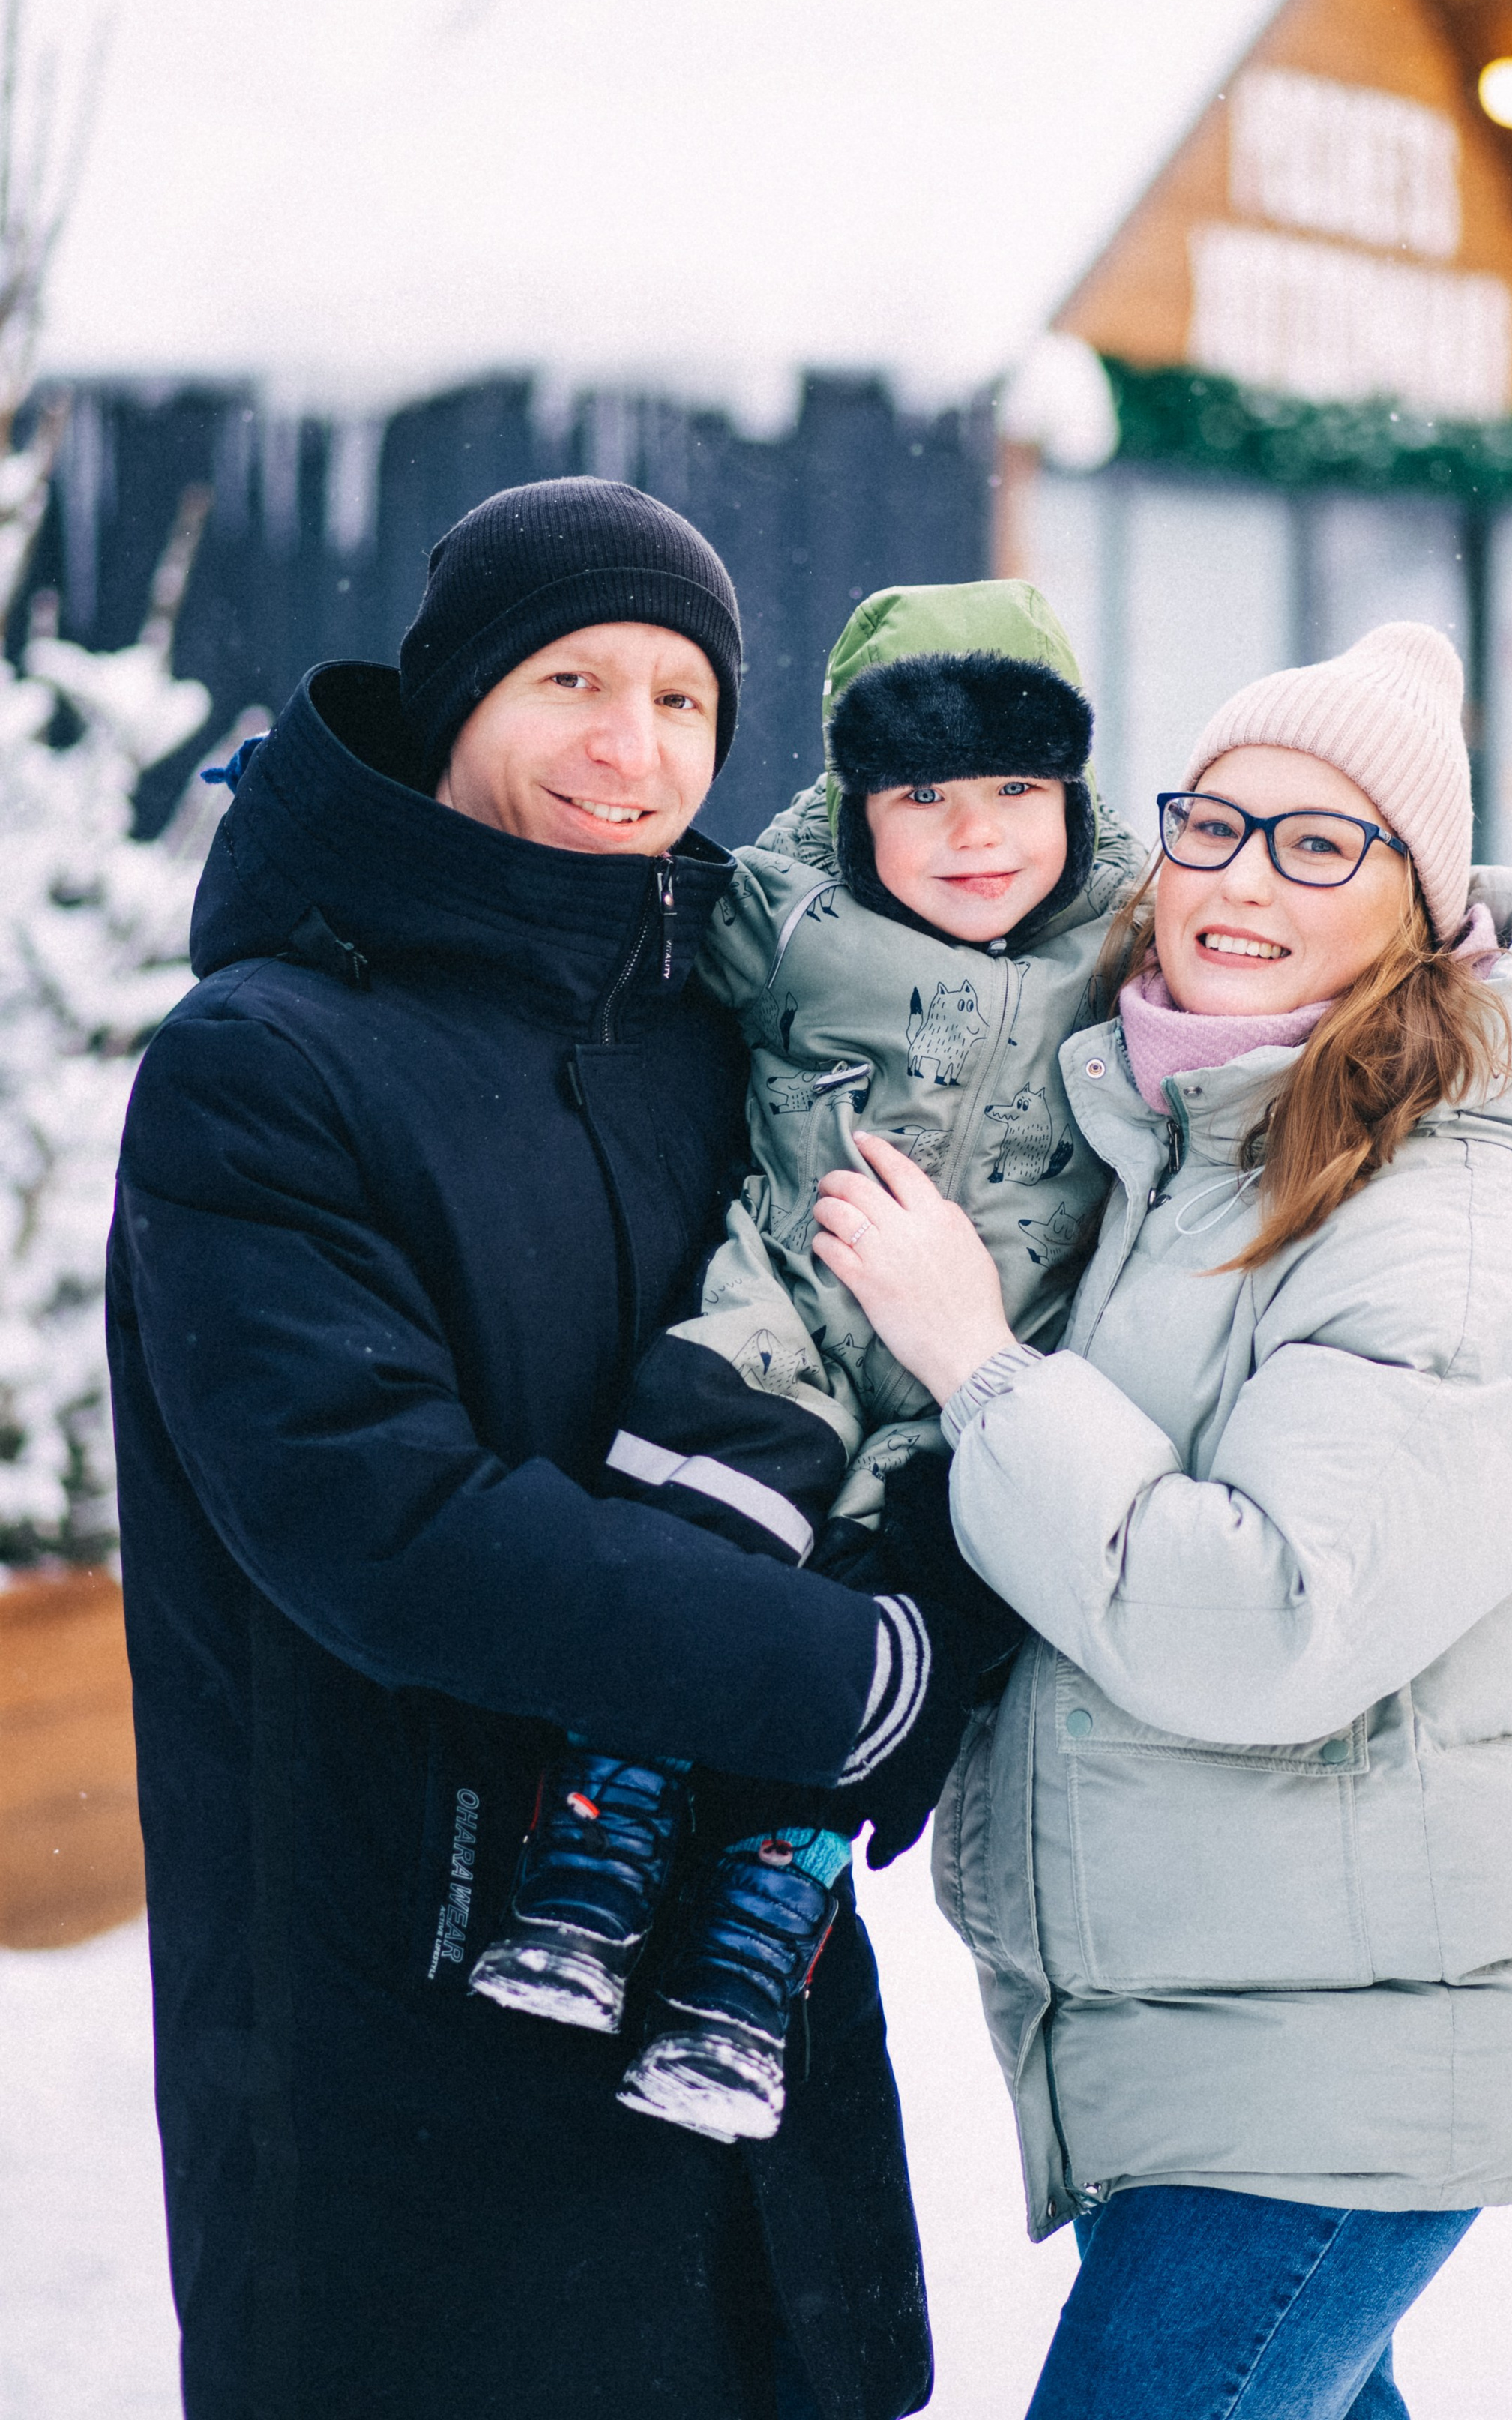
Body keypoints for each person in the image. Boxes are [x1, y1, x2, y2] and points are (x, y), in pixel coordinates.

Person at [106, 478, 972, 2420]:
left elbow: (865, 1387)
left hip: (747, 2045)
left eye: (681, 699)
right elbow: (384, 1524)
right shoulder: (267, 1067)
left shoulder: (729, 1039)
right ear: (455, 698)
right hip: (413, 2050)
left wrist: (931, 1634)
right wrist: (847, 1678)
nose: (628, 746)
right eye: (571, 679)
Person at [805, 622, 1512, 2420]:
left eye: (1319, 843)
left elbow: (1259, 1623)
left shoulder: (1438, 1228)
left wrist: (975, 1360)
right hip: (1229, 2035)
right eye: (1210, 823)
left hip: (1335, 2070)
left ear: (1420, 909)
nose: (1240, 879)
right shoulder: (1190, 1145)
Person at [468, 579, 1144, 2149]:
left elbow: (1311, 926)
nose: (974, 835)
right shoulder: (784, 913)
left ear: (1073, 791)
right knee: (695, 1553)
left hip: (972, 1391)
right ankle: (600, 1846)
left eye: (1016, 788)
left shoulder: (1138, 934)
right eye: (920, 795)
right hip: (779, 1322)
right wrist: (381, 858)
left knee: (876, 1638)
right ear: (855, 806)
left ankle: (750, 1949)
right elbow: (580, 926)